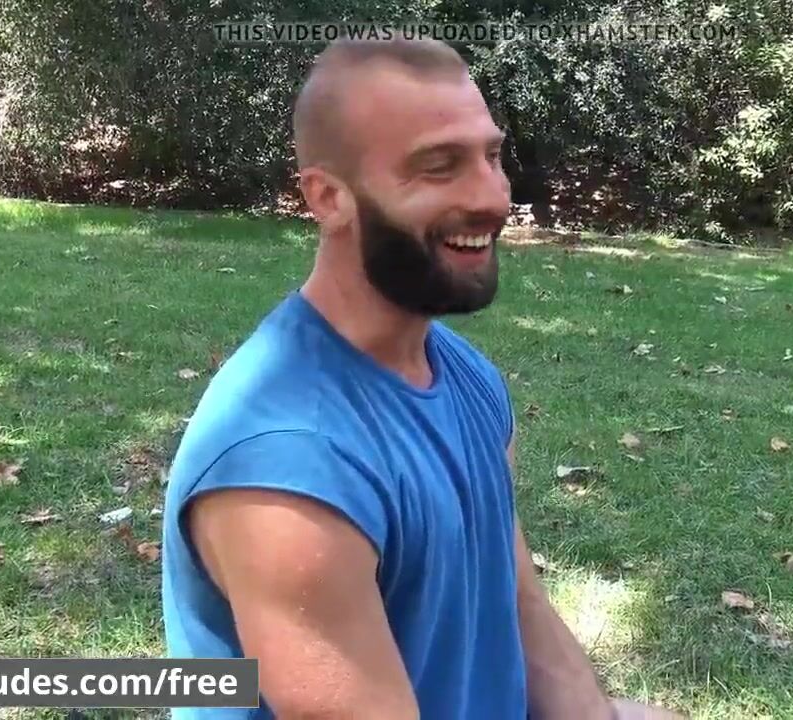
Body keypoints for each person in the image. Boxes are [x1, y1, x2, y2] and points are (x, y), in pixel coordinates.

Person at [161, 38, 685, 719]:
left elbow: (518, 601)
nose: (493, 198)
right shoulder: (287, 470)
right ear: (329, 198)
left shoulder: (463, 373)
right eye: (439, 167)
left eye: (491, 157)